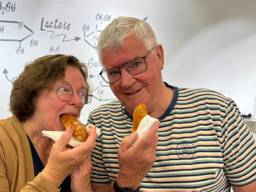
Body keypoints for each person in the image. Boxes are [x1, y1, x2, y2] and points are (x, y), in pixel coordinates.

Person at [88, 16, 256, 192]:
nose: (126, 82)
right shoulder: (100, 123)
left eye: (136, 64)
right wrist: (127, 179)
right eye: (113, 72)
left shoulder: (218, 111)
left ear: (159, 56)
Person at [0, 54, 97, 192]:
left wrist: (81, 180)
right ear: (32, 95)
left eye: (82, 93)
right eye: (64, 90)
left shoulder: (73, 148)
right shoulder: (3, 142)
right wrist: (53, 175)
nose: (79, 101)